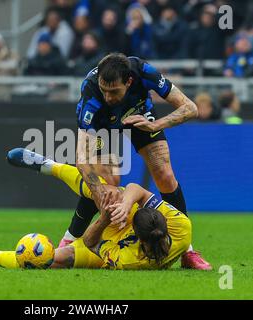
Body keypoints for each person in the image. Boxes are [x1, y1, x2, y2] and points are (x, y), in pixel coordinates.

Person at [63, 53, 211, 270]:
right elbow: (82, 160)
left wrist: (155, 124)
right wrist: (99, 192)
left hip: (140, 118)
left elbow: (190, 108)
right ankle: (69, 239)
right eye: (104, 90)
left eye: (114, 92)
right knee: (106, 182)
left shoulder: (144, 72)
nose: (108, 97)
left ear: (129, 81)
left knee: (165, 175)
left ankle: (187, 252)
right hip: (103, 126)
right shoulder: (91, 91)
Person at [0, 149, 197, 270]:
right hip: (128, 223)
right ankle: (48, 165)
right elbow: (137, 189)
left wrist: (106, 219)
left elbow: (89, 241)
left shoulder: (131, 262)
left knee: (46, 260)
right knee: (102, 189)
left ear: (139, 236)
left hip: (104, 242)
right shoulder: (180, 225)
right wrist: (128, 204)